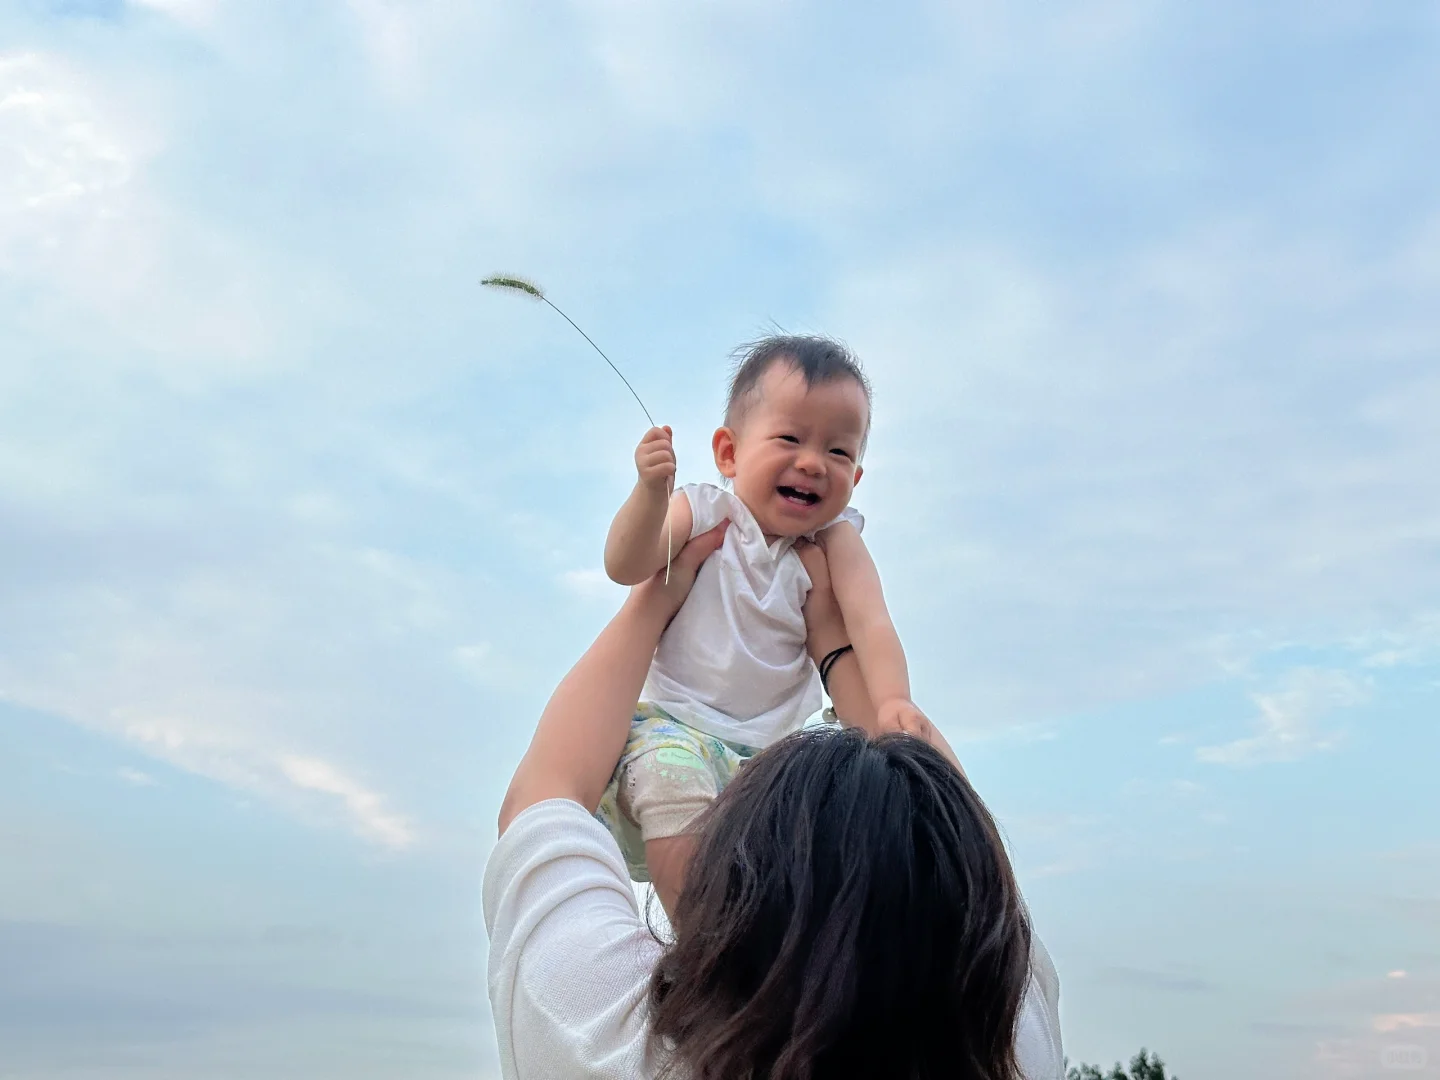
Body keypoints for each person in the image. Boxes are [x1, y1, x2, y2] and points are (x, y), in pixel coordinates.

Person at [485, 527, 1065, 1080]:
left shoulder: (604, 1039)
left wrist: (656, 603)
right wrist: (834, 643)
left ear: (725, 890)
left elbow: (546, 792)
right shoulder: (1012, 1049)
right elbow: (964, 857)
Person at [598, 335, 931, 909]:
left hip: (774, 751)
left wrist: (894, 698)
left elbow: (872, 622)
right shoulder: (705, 509)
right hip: (678, 724)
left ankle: (769, 951)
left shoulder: (834, 545)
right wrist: (651, 494)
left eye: (839, 452)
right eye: (790, 438)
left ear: (855, 477)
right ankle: (697, 940)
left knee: (797, 855)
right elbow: (626, 565)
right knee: (671, 791)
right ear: (729, 452)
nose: (812, 463)